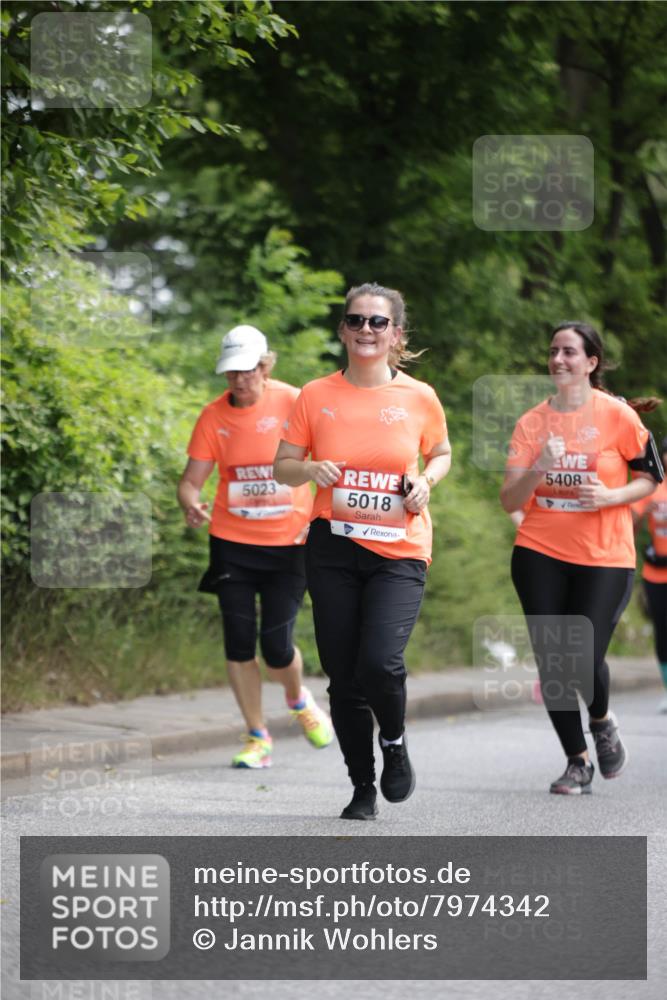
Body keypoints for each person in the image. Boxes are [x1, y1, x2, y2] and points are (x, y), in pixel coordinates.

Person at [274, 283, 451, 820]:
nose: (366, 330)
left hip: (399, 547)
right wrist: (310, 468)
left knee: (379, 662)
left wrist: (425, 482)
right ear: (343, 330)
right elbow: (283, 466)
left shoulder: (419, 396)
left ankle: (393, 741)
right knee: (343, 675)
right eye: (356, 320)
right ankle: (361, 786)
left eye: (378, 322)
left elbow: (441, 453)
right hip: (332, 545)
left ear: (396, 334)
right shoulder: (314, 394)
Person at [500, 321, 662, 795]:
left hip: (605, 555)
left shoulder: (618, 416)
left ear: (591, 362)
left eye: (569, 352)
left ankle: (601, 718)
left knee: (581, 655)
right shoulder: (532, 422)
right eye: (553, 351)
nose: (558, 359)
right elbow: (510, 499)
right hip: (539, 551)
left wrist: (611, 496)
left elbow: (650, 478)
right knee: (553, 661)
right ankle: (577, 761)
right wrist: (539, 467)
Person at [178, 324, 333, 769]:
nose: (239, 380)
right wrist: (190, 503)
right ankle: (256, 736)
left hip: (290, 543)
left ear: (266, 367)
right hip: (232, 544)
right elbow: (190, 482)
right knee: (239, 643)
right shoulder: (213, 417)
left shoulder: (294, 402)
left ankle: (298, 700)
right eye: (231, 372)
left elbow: (326, 459)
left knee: (277, 647)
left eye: (247, 370)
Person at [632, 434, 667, 713]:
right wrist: (643, 514)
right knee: (663, 633)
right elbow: (629, 524)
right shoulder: (653, 487)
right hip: (657, 574)